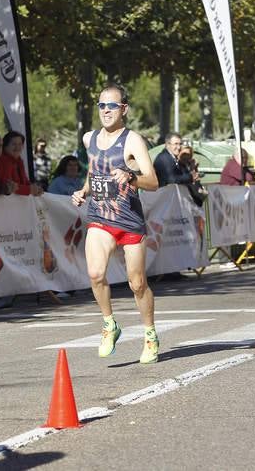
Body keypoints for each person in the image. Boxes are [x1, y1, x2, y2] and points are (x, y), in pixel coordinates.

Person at [71, 84, 161, 363]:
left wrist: (132, 178)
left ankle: (149, 334)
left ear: (124, 109)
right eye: (102, 106)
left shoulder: (133, 141)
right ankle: (110, 324)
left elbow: (154, 181)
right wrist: (84, 191)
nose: (106, 111)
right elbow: (94, 169)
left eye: (112, 106)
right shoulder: (90, 139)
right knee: (96, 274)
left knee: (137, 284)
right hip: (100, 217)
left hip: (129, 220)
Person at [0, 130, 44, 196]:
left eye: (20, 144)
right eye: (14, 144)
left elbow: (25, 182)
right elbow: (8, 186)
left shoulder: (18, 161)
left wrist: (36, 189)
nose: (17, 147)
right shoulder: (3, 161)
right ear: (5, 146)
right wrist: (29, 190)